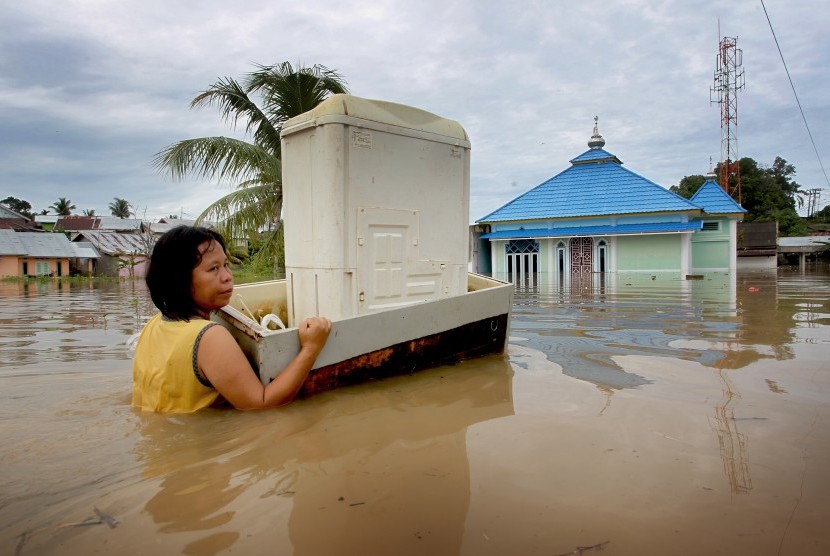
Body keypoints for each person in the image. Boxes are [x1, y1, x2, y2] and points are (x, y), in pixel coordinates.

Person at [132, 226, 331, 412]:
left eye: (226, 265)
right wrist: (311, 349)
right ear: (179, 281)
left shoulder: (155, 322)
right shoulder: (209, 336)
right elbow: (261, 404)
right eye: (213, 269)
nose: (227, 276)